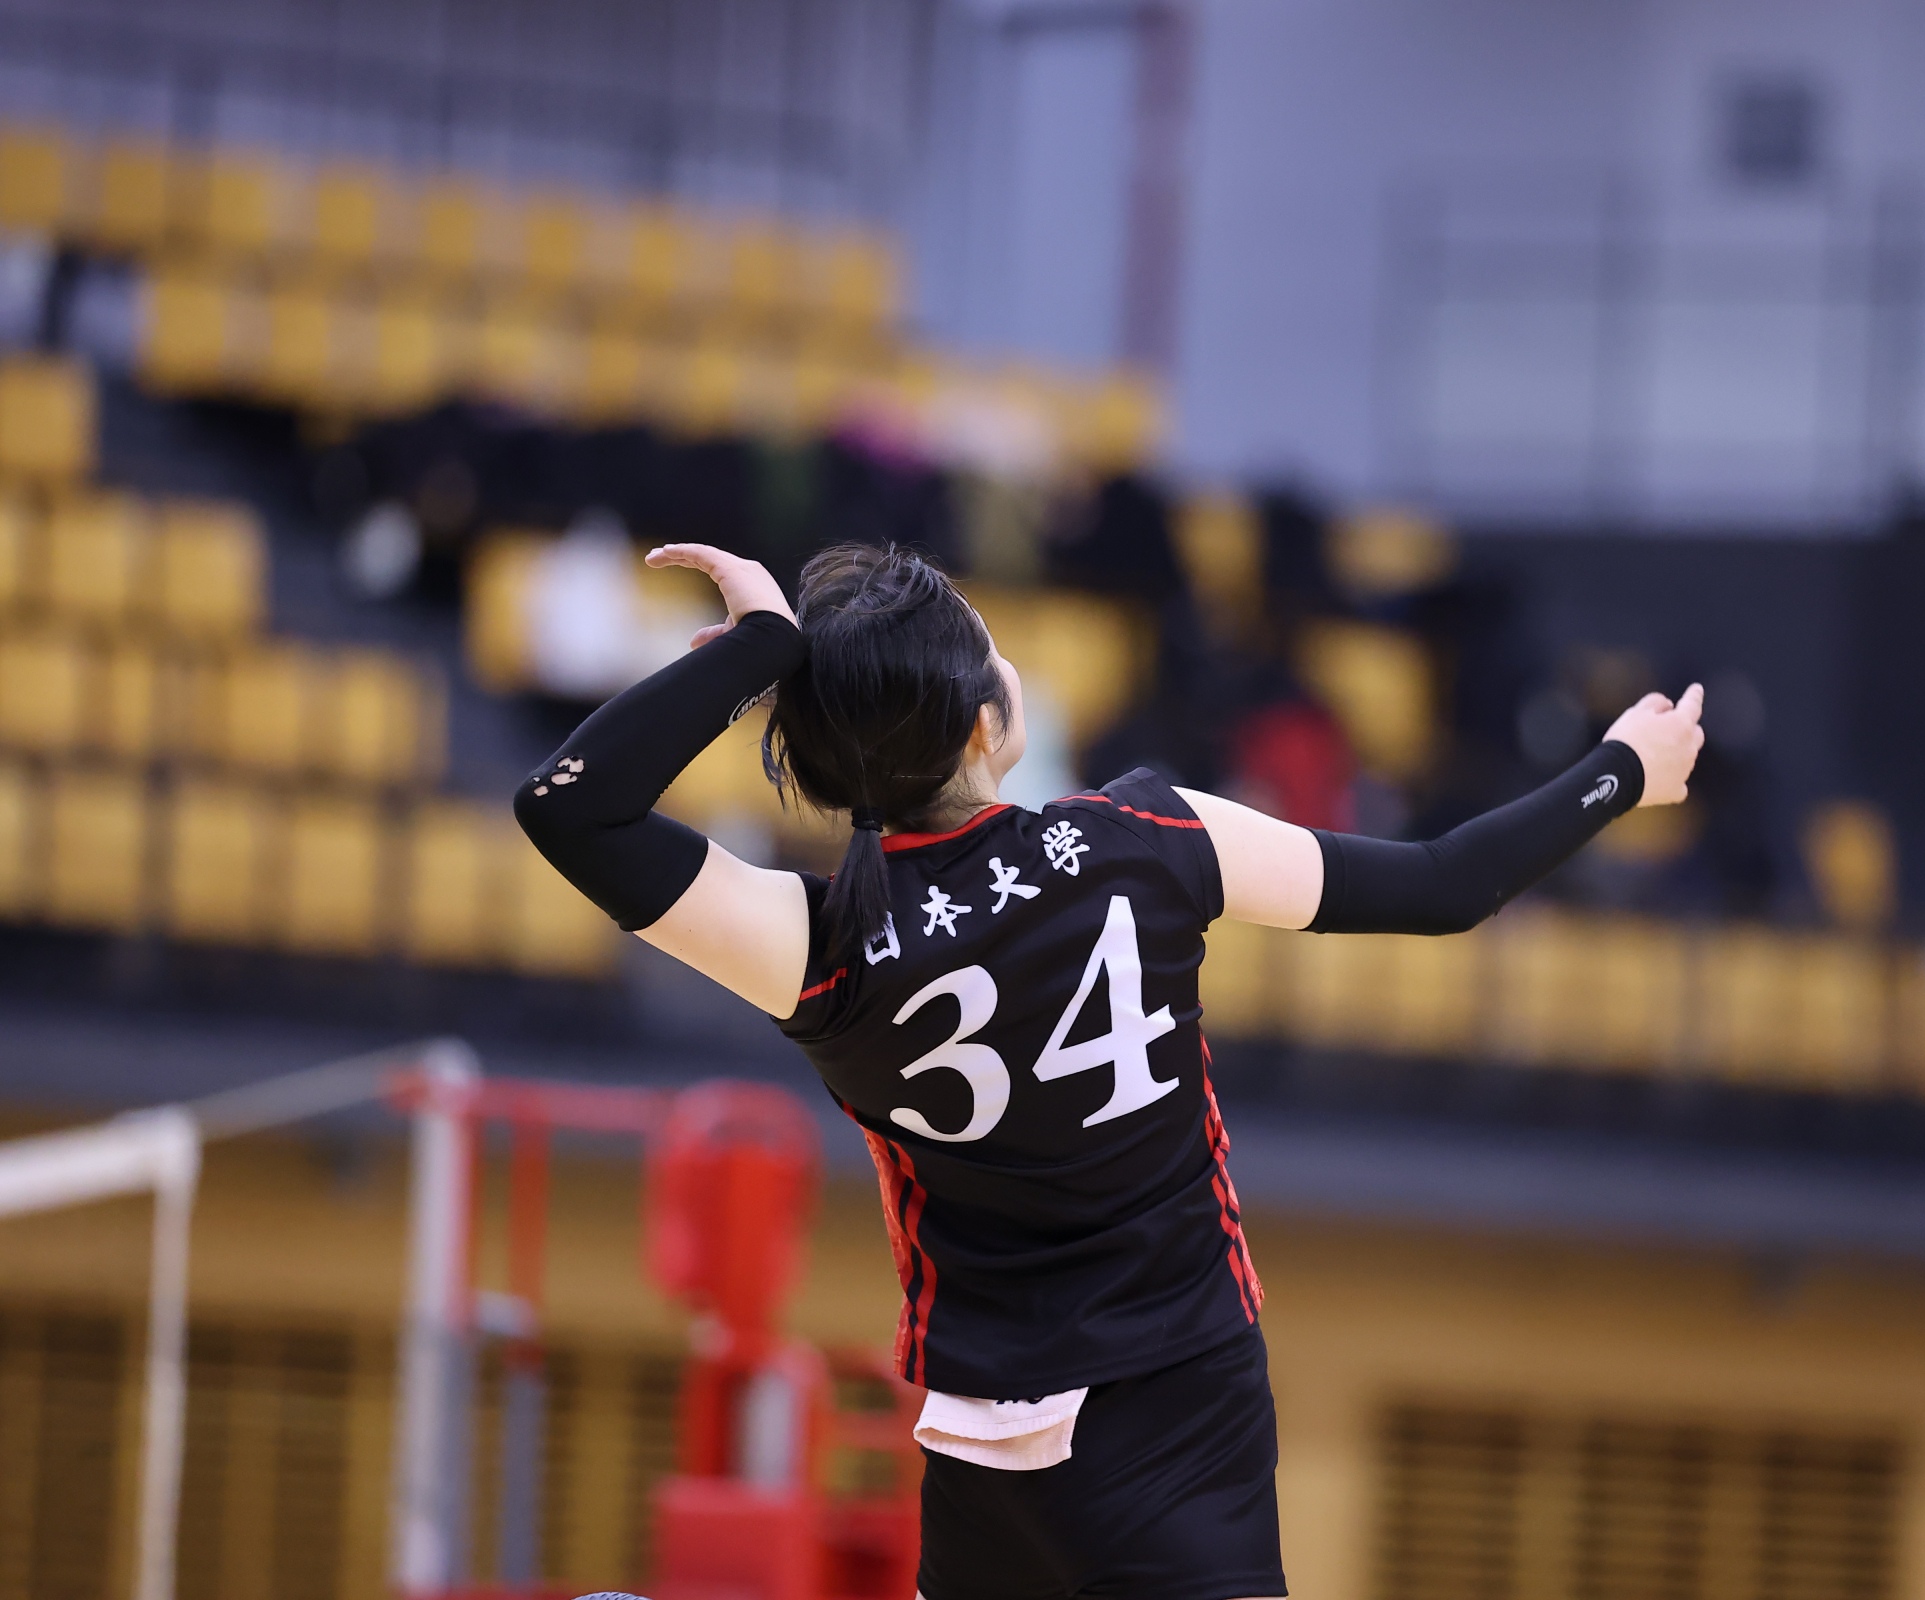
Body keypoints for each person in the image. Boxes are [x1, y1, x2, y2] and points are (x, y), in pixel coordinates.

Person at [517, 542, 1705, 1600]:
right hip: (1176, 1401)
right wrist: (1624, 767)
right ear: (985, 725)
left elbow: (568, 808)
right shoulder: (1148, 836)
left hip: (981, 1442)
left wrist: (756, 653)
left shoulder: (819, 946)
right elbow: (1445, 885)